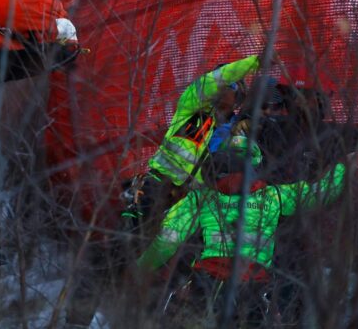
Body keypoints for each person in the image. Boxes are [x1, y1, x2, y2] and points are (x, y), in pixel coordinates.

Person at [136, 131, 346, 326]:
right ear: (257, 165)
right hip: (253, 289)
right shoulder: (274, 196)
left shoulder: (200, 198)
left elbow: (167, 241)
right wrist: (344, 166)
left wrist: (138, 270)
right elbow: (322, 194)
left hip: (206, 285)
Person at [123, 54, 261, 232]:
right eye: (218, 83)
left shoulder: (238, 129)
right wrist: (256, 62)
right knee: (130, 233)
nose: (219, 89)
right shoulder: (191, 105)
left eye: (229, 86)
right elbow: (216, 79)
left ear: (238, 97)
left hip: (190, 199)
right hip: (159, 183)